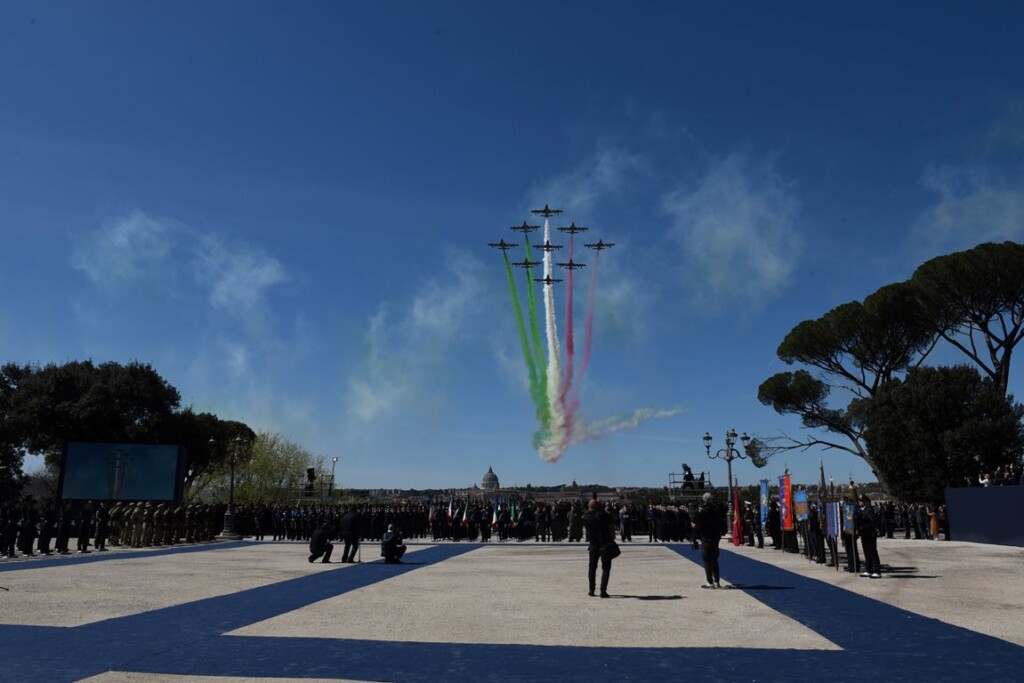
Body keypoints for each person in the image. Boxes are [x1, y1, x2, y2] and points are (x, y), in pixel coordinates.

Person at [582, 499, 615, 598]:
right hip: (604, 544)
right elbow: (611, 519)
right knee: (606, 568)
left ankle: (591, 590)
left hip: (593, 545)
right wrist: (604, 510)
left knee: (592, 568)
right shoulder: (601, 515)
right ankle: (603, 590)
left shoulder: (586, 517)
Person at [693, 492, 724, 588]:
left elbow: (699, 524)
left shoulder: (704, 511)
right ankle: (717, 581)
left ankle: (709, 581)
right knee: (714, 559)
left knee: (707, 559)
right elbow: (721, 523)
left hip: (706, 537)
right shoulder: (716, 510)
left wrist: (695, 526)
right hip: (715, 537)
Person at [857, 496, 881, 578]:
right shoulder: (859, 511)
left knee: (873, 552)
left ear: (865, 502)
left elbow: (872, 522)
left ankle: (877, 570)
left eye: (861, 501)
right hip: (864, 534)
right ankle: (869, 569)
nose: (859, 502)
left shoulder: (869, 510)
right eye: (859, 501)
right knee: (866, 552)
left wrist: (863, 527)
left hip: (870, 533)